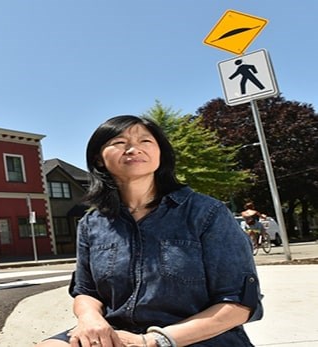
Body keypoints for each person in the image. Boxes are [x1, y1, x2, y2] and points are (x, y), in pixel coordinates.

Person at [37, 115, 262, 347]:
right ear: (99, 159)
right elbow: (87, 291)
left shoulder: (207, 213)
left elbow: (239, 304)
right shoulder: (92, 223)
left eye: (146, 141)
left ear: (160, 154)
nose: (134, 149)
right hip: (118, 334)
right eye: (119, 142)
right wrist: (89, 318)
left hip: (196, 337)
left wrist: (153, 341)